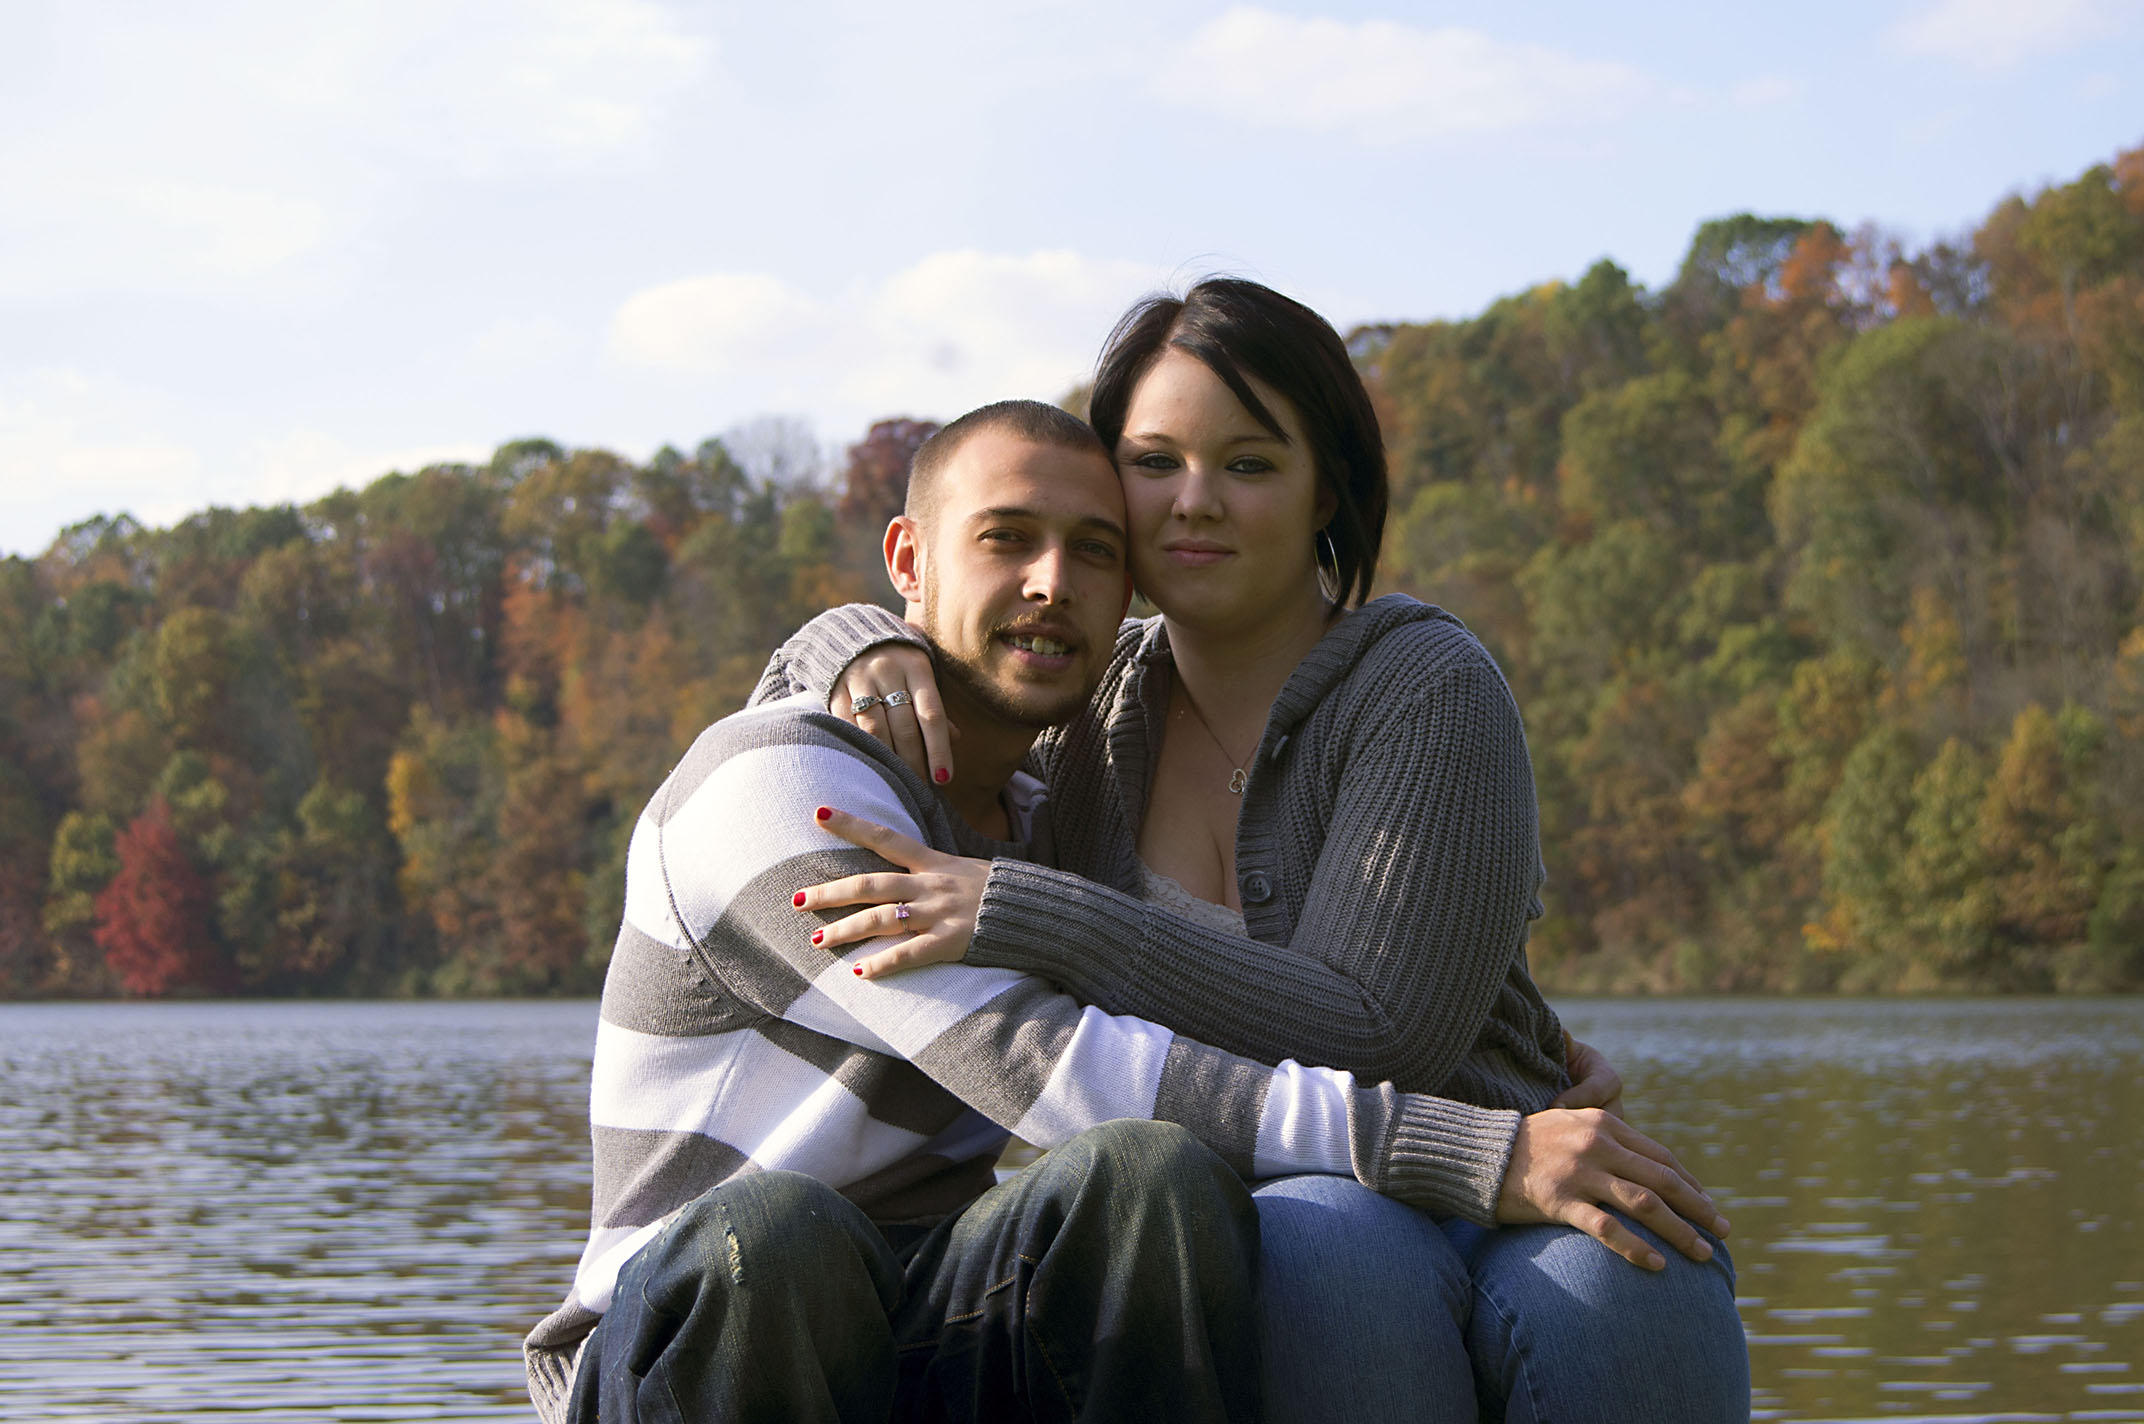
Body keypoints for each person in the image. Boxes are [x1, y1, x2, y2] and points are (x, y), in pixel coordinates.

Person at [527, 398, 1726, 1424]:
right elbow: (1050, 1062)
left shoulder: (1047, 803)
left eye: (1093, 549)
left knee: (1144, 1177)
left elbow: (1235, 963)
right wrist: (1471, 1150)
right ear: (907, 558)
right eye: (1006, 537)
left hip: (920, 1304)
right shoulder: (778, 786)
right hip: (693, 1329)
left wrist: (1508, 1055)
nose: (1052, 581)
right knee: (780, 1236)